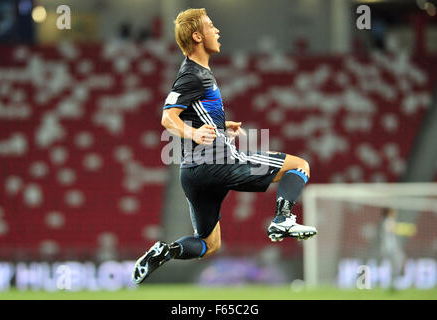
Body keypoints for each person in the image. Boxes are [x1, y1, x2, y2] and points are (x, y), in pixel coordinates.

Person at [132, 8, 317, 285]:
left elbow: (191, 112)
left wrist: (220, 127)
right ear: (197, 36)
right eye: (210, 26)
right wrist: (195, 134)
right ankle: (283, 219)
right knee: (299, 166)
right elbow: (167, 117)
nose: (217, 30)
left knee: (208, 244)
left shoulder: (194, 73)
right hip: (218, 163)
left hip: (193, 174)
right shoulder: (193, 75)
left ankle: (167, 251)